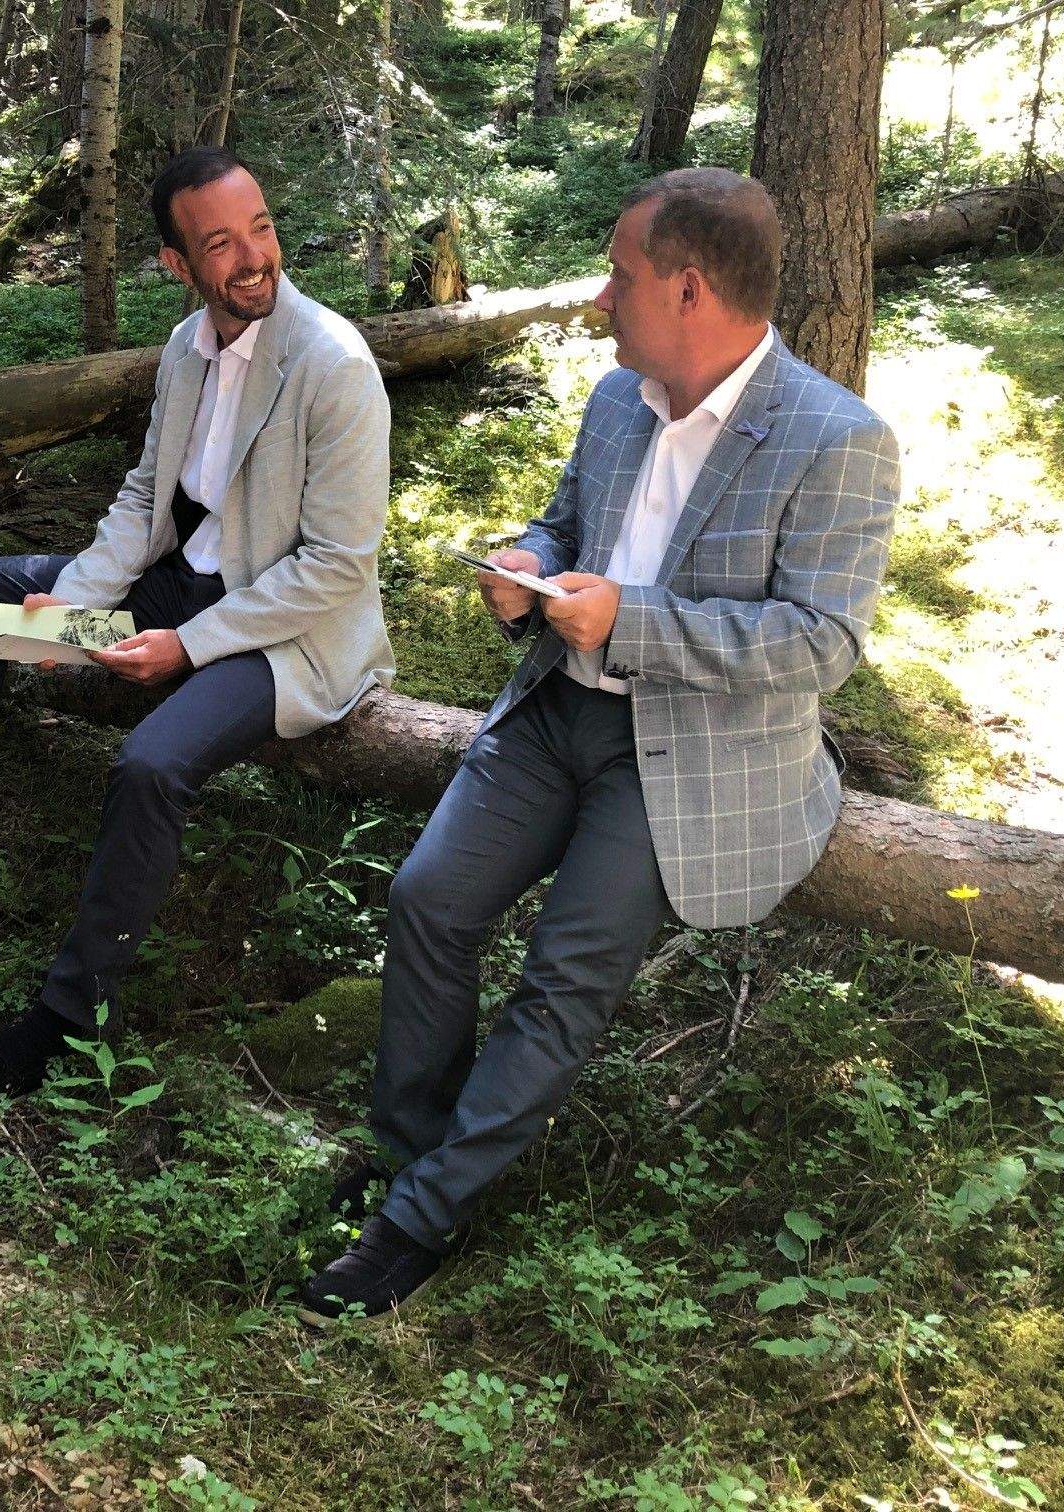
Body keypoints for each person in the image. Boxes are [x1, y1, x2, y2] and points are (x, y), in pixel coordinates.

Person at [299, 168, 901, 1324]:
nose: (597, 301)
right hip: (556, 712)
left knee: (564, 978)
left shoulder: (838, 438)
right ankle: (413, 1160)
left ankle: (418, 1223)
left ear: (684, 288)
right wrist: (528, 568)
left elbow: (821, 643)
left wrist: (632, 618)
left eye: (616, 277)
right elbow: (568, 521)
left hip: (688, 754)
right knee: (428, 901)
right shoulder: (619, 397)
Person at [0, 148, 395, 1101]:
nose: (253, 258)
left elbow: (338, 567)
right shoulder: (186, 347)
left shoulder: (332, 365)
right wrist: (77, 604)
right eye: (220, 243)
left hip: (280, 636)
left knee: (151, 765)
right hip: (175, 594)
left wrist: (187, 647)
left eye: (261, 228)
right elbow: (145, 497)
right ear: (177, 263)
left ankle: (62, 1022)